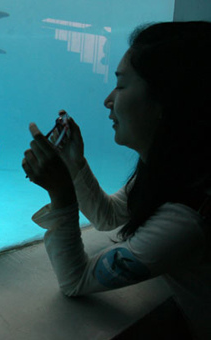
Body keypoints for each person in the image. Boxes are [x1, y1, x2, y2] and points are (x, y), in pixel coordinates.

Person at [22, 21, 211, 339]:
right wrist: (74, 164)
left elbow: (76, 280)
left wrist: (61, 195)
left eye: (121, 86)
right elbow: (109, 216)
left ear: (166, 100)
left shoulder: (187, 217)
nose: (108, 100)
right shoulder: (183, 170)